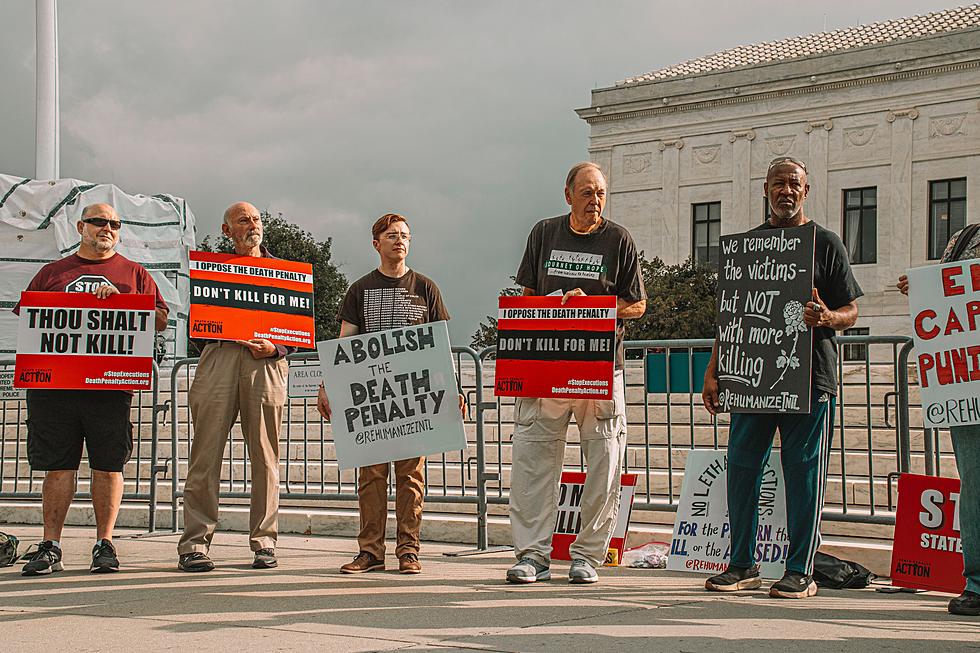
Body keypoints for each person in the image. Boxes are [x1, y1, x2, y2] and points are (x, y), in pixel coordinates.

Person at [701, 156, 862, 599]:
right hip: (751, 376)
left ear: (806, 191)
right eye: (778, 184)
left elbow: (852, 310)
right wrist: (714, 370)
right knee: (742, 466)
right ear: (765, 190)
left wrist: (827, 316)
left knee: (803, 473)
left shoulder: (826, 243)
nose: (785, 191)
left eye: (794, 184)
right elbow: (730, 317)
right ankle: (741, 565)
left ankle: (800, 571)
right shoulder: (747, 248)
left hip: (809, 378)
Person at [506, 162, 646, 584]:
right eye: (586, 193)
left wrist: (597, 308)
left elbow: (637, 304)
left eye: (601, 192)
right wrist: (553, 305)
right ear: (568, 195)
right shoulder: (544, 233)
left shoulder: (619, 239)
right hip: (546, 367)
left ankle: (587, 556)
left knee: (604, 462)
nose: (595, 201)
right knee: (533, 462)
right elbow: (527, 296)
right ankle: (532, 555)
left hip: (601, 369)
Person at [14, 203, 169, 575]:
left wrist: (120, 301)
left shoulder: (134, 273)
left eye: (115, 223)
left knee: (108, 465)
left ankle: (106, 543)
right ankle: (51, 545)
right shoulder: (52, 273)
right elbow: (31, 315)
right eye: (99, 221)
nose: (108, 228)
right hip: (55, 387)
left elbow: (160, 320)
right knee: (57, 467)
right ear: (81, 226)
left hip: (109, 386)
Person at [316, 213, 464, 575]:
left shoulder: (426, 287)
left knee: (411, 477)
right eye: (392, 235)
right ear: (376, 243)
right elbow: (345, 341)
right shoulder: (360, 289)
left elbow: (439, 344)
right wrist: (326, 383)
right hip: (373, 400)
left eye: (405, 236)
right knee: (371, 477)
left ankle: (408, 551)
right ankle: (370, 551)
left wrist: (454, 386)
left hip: (413, 400)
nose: (400, 241)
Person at [177, 202, 292, 572]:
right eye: (243, 220)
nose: (252, 225)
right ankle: (194, 544)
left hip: (267, 361)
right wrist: (222, 339)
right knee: (205, 453)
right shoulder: (212, 271)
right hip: (220, 357)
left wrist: (276, 347)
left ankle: (264, 543)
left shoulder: (284, 272)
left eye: (256, 219)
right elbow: (197, 323)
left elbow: (296, 325)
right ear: (227, 231)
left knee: (265, 456)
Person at [897, 223, 980, 617]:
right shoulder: (963, 238)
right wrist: (923, 291)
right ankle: (977, 584)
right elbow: (945, 294)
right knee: (975, 485)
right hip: (967, 384)